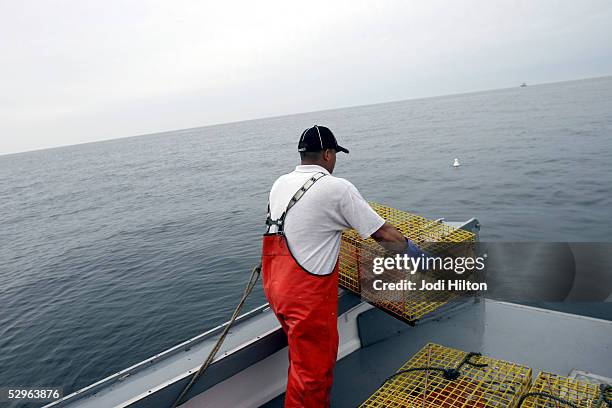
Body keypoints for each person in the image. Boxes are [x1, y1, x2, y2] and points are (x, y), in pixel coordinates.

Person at [262, 125, 418, 408]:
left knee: (302, 364)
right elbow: (382, 234)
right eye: (335, 155)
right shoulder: (337, 188)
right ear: (328, 154)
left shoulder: (279, 183)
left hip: (276, 288)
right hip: (306, 299)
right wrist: (414, 252)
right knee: (313, 376)